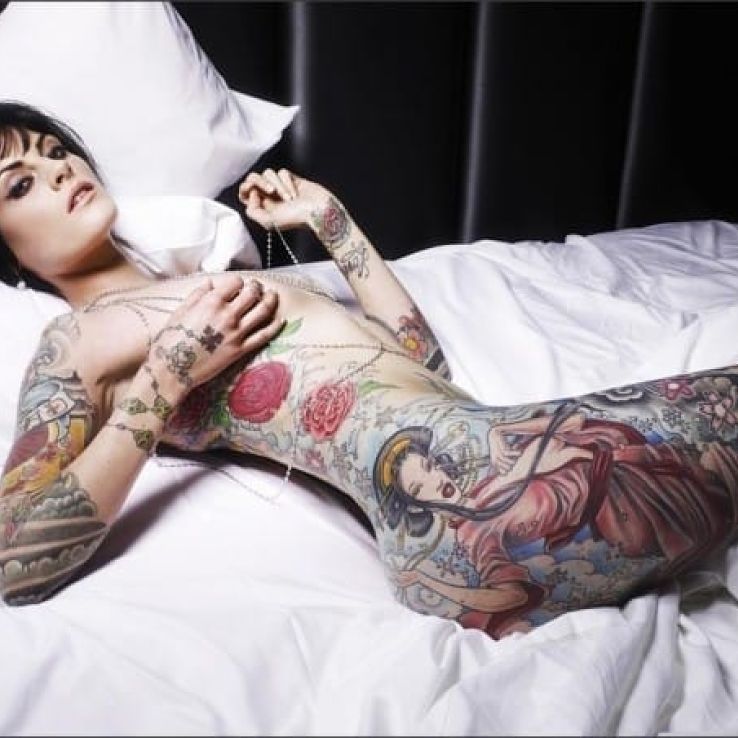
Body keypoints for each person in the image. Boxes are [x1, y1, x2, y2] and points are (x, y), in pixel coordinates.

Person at [0, 102, 736, 637]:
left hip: (485, 474)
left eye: (55, 151)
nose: (59, 170)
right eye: (19, 184)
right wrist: (166, 378)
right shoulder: (75, 342)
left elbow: (421, 368)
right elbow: (14, 560)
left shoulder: (203, 286)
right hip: (488, 501)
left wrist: (333, 223)